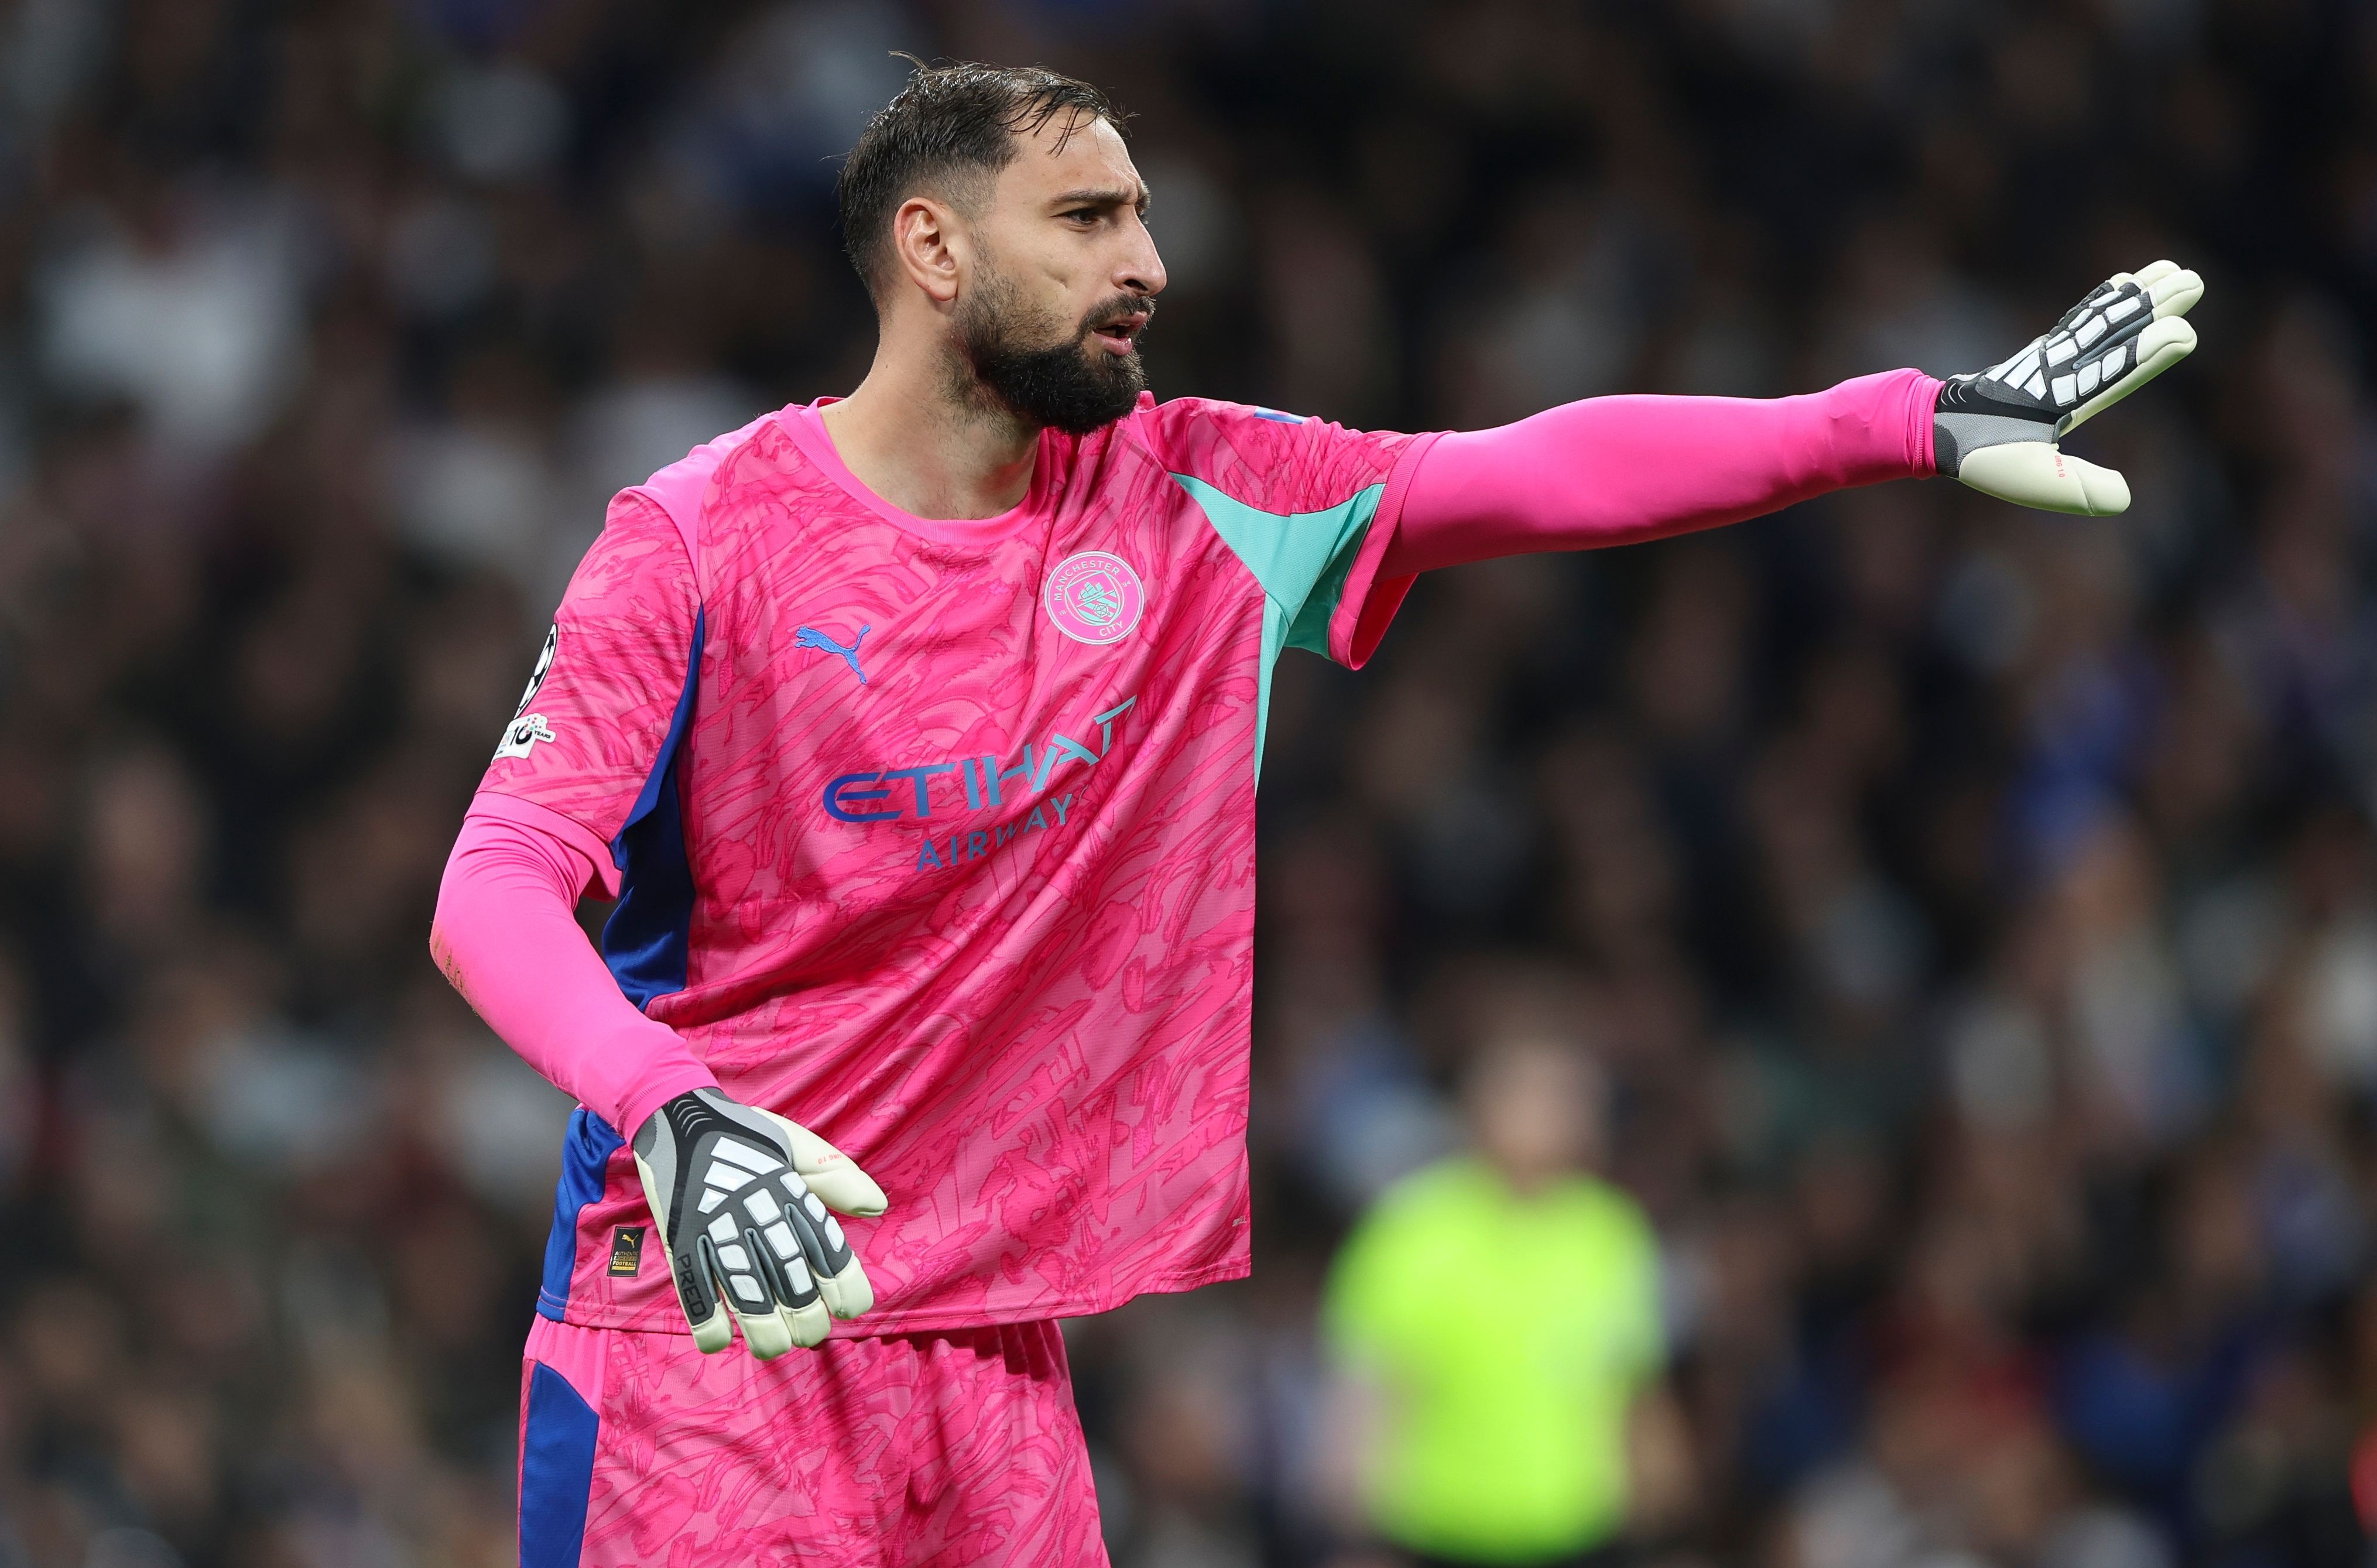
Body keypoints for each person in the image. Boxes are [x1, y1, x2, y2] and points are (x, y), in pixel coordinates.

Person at [426, 59, 2200, 1567]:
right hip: (703, 1331)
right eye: (1089, 220)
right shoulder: (700, 536)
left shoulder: (1197, 492)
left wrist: (1902, 418)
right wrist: (666, 1103)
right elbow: (495, 882)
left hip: (991, 1352)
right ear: (933, 247)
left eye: (1144, 218)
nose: (1148, 263)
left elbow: (1529, 472)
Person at [1321, 1038, 1669, 1568]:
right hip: (1436, 1532)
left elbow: (1634, 1389)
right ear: (1477, 1108)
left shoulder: (1611, 1233)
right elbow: (1367, 1392)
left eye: (1566, 1098)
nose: (1548, 1115)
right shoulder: (1412, 1231)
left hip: (1579, 1532)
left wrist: (1665, 1531)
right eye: (1528, 1096)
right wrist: (1355, 1538)